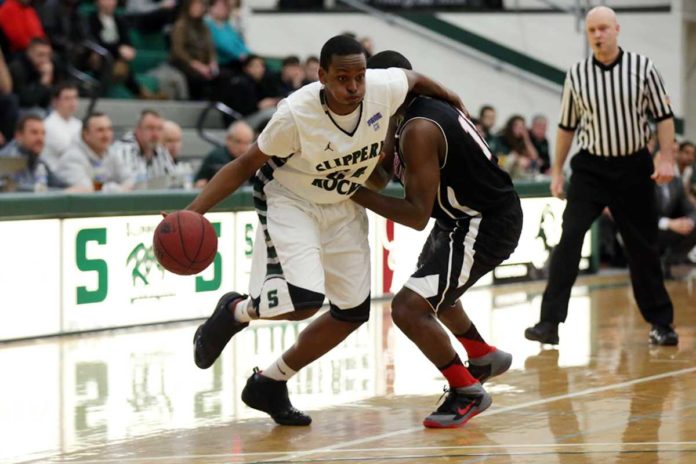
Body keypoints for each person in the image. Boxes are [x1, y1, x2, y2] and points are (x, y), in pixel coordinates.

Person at [186, 35, 464, 426]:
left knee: (351, 313)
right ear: (322, 76)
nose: (353, 87)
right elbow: (244, 164)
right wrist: (192, 212)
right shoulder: (294, 114)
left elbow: (415, 79)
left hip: (342, 202)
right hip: (291, 198)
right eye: (342, 79)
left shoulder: (384, 88)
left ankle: (270, 383)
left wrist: (456, 102)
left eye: (359, 77)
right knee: (303, 300)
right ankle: (235, 311)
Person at [354, 50, 521, 428]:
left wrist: (352, 193)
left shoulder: (420, 128)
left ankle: (467, 391)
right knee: (435, 296)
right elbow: (383, 172)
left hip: (483, 223)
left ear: (389, 87)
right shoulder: (405, 114)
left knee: (408, 308)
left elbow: (415, 216)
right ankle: (483, 356)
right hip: (459, 219)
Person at [524, 6, 679, 346]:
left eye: (604, 28)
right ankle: (549, 323)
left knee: (642, 247)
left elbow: (664, 116)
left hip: (634, 167)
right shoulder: (577, 74)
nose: (598, 35)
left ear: (617, 29)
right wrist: (557, 170)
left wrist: (667, 157)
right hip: (591, 168)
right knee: (569, 239)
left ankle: (661, 323)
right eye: (592, 30)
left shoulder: (643, 68)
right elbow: (566, 126)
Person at [55, 112, 130, 192]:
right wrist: (118, 189)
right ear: (86, 134)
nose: (106, 135)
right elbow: (87, 190)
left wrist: (123, 188)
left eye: (109, 129)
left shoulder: (110, 152)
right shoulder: (72, 158)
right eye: (100, 130)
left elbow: (130, 179)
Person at [111, 109, 176, 189]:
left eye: (159, 129)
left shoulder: (160, 150)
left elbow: (173, 180)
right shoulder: (123, 150)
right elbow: (131, 187)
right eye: (150, 128)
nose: (155, 134)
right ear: (138, 130)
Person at [0, 113, 65, 191]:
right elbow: (17, 190)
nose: (40, 138)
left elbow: (59, 184)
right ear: (18, 136)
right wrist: (64, 192)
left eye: (43, 133)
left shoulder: (37, 160)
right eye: (34, 132)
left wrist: (72, 189)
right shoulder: (7, 159)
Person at [170, 0, 219, 100]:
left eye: (201, 6)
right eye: (196, 6)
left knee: (222, 77)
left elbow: (210, 48)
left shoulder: (204, 27)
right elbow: (178, 50)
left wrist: (212, 62)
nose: (199, 8)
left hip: (203, 63)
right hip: (185, 63)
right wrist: (197, 65)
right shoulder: (181, 25)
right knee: (198, 79)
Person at [8, 38, 67, 111]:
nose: (45, 59)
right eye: (40, 55)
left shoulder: (52, 64)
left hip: (44, 106)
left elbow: (58, 93)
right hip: (20, 108)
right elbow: (26, 101)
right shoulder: (17, 68)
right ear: (29, 53)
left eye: (48, 55)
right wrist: (44, 81)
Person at [194, 120, 254, 187]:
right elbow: (199, 183)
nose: (243, 148)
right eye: (238, 142)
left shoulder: (252, 158)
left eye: (247, 143)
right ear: (228, 139)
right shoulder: (218, 156)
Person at [42, 82, 82, 170]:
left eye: (75, 97)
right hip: (54, 173)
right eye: (67, 98)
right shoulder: (49, 124)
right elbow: (71, 152)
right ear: (55, 102)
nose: (72, 102)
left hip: (75, 170)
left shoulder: (78, 124)